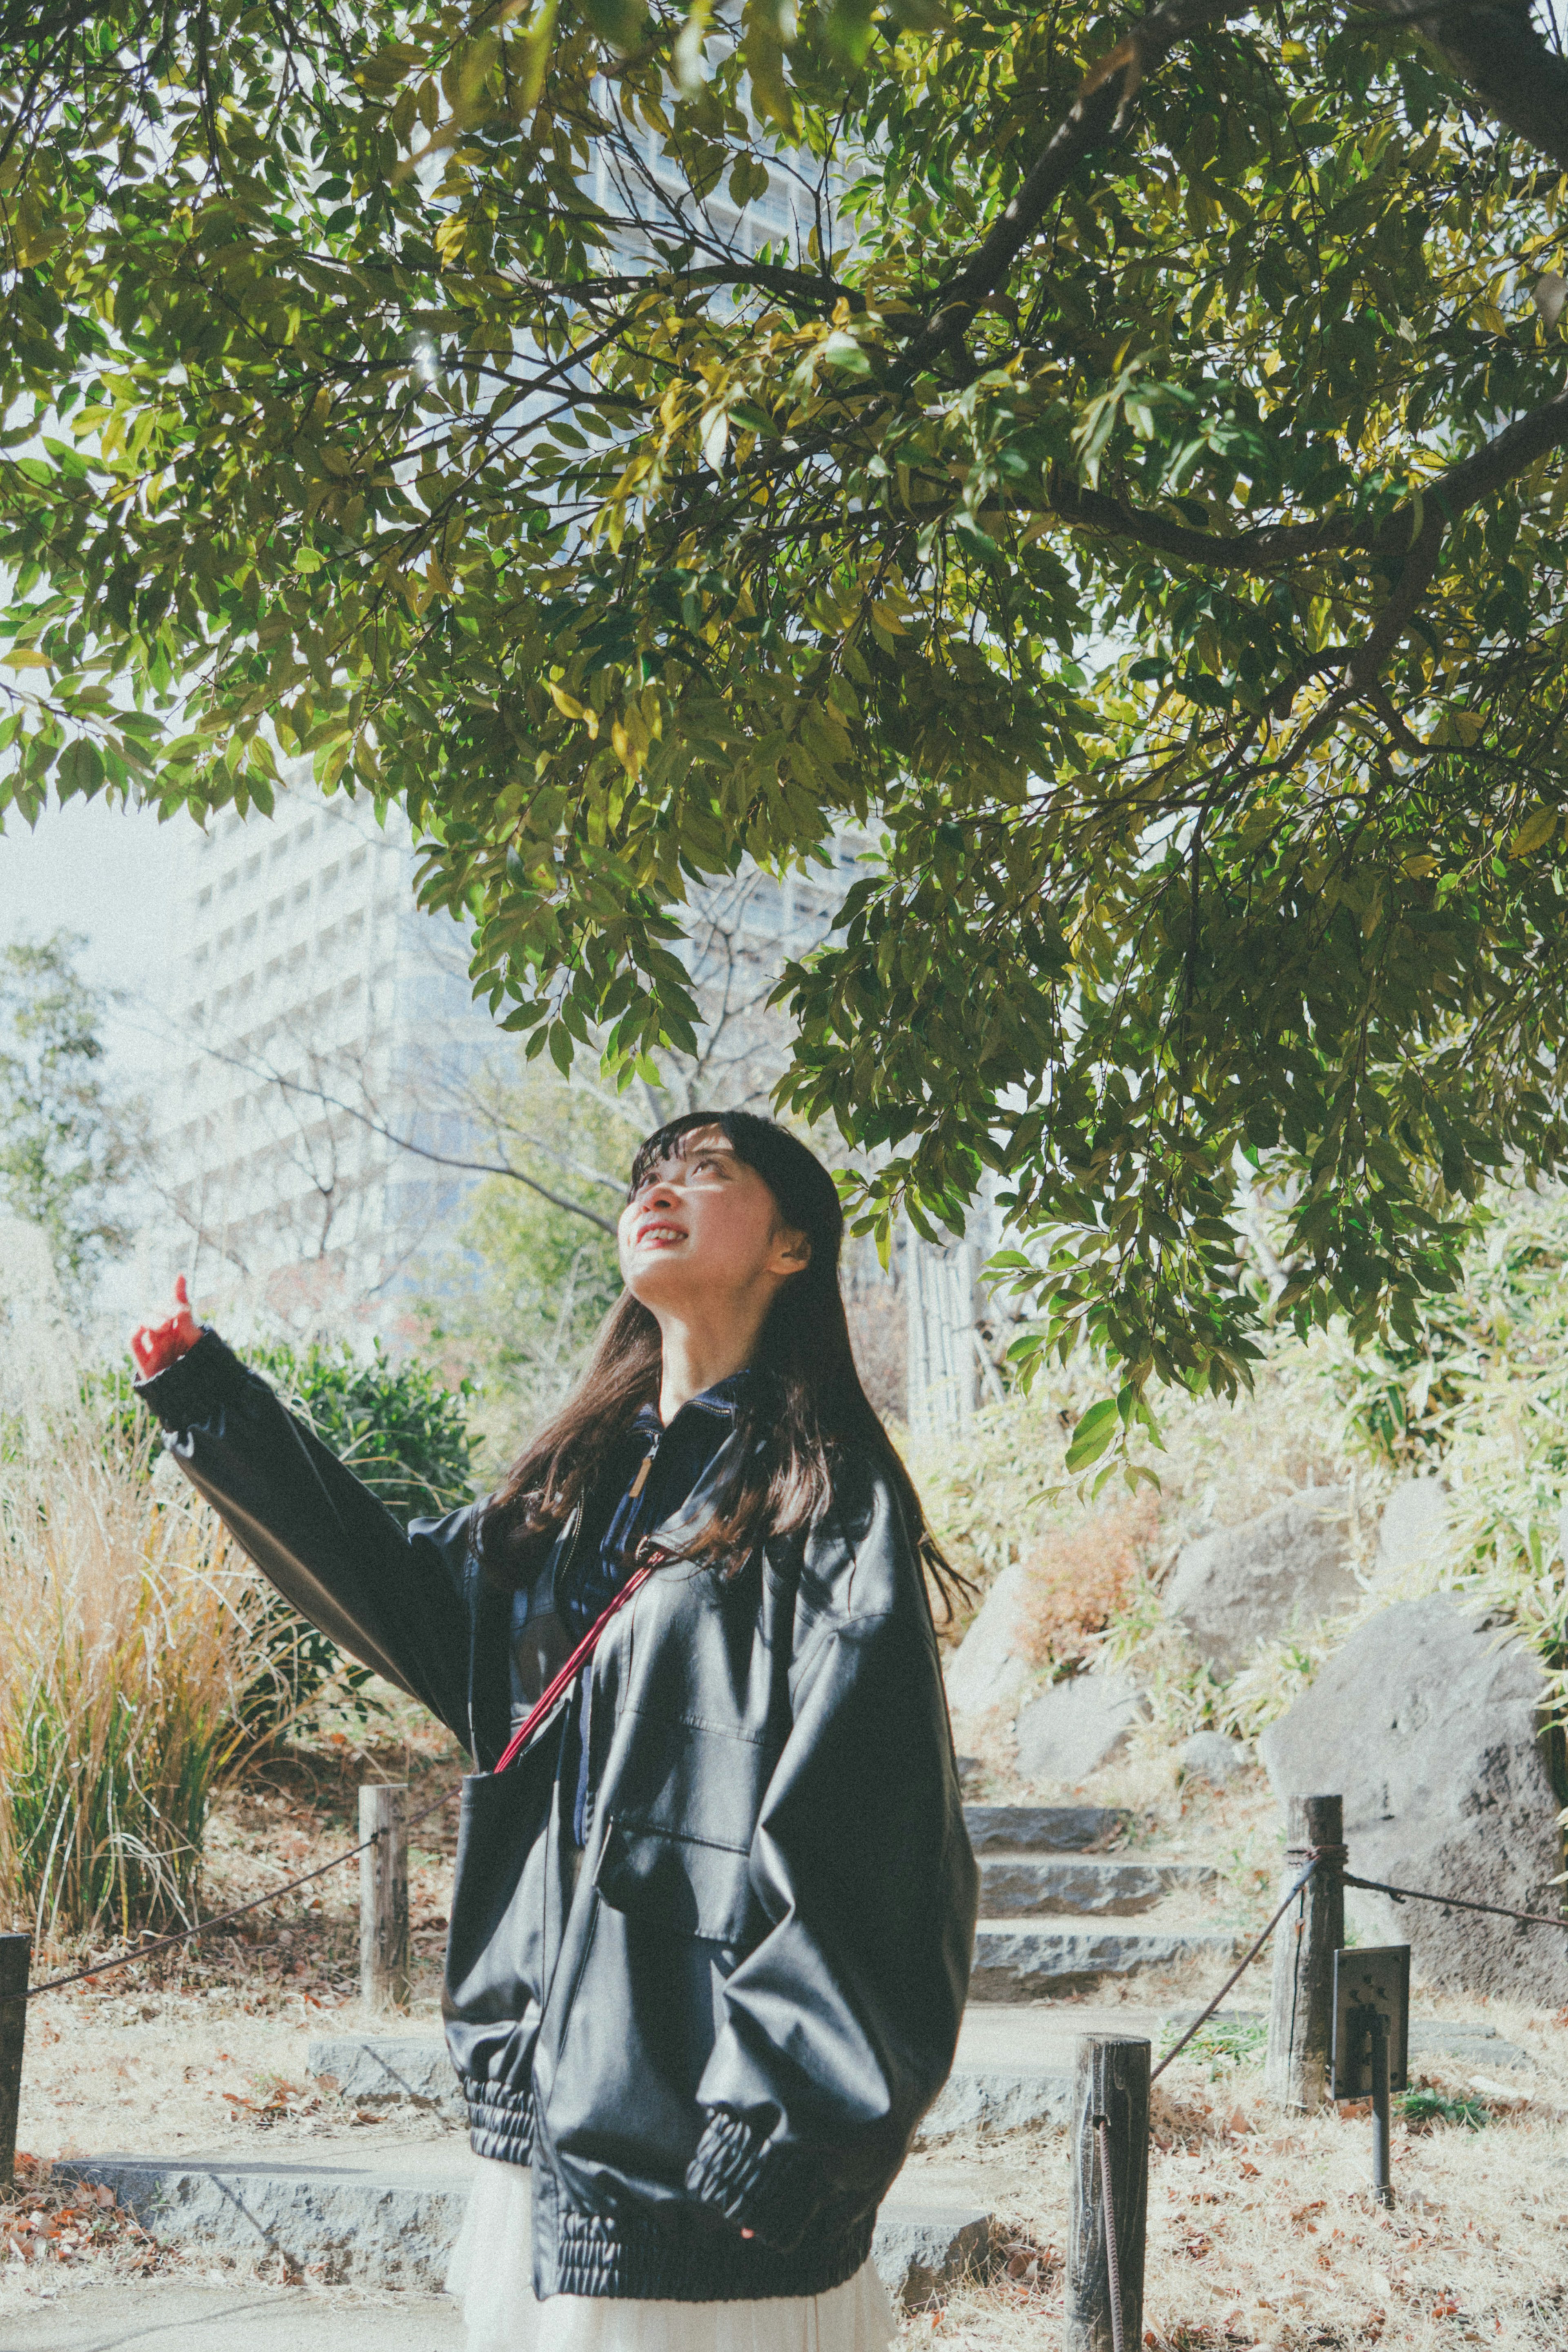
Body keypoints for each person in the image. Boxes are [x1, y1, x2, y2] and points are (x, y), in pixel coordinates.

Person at [131, 1110, 978, 2352]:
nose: (662, 1188)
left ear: (795, 1245)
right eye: (649, 1172)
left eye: (708, 1170)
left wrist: (785, 2126)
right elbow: (399, 1597)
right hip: (543, 2117)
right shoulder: (577, 1491)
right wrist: (212, 1399)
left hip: (710, 2133)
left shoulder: (823, 1498)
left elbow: (876, 1825)